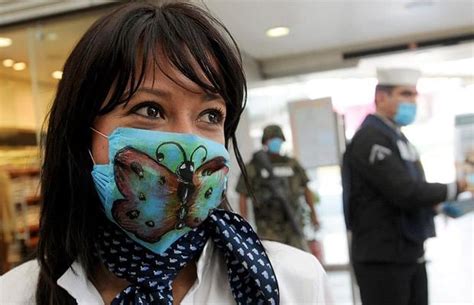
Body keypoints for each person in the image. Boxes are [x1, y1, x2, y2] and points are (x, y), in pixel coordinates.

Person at [0, 2, 331, 305]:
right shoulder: (16, 296)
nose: (188, 140)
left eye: (210, 114)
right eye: (150, 109)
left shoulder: (294, 283)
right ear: (82, 135)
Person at [342, 68, 468, 305]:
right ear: (381, 98)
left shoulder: (396, 137)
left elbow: (409, 188)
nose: (412, 101)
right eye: (405, 94)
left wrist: (436, 206)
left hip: (406, 253)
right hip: (383, 260)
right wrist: (456, 187)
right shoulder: (371, 138)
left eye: (414, 95)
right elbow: (403, 191)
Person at [236, 124, 320, 251]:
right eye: (272, 139)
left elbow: (306, 189)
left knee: (298, 261)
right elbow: (242, 194)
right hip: (268, 229)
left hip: (293, 224)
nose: (276, 143)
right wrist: (244, 224)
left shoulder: (292, 164)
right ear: (265, 142)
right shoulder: (254, 166)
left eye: (278, 139)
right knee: (274, 264)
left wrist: (314, 215)